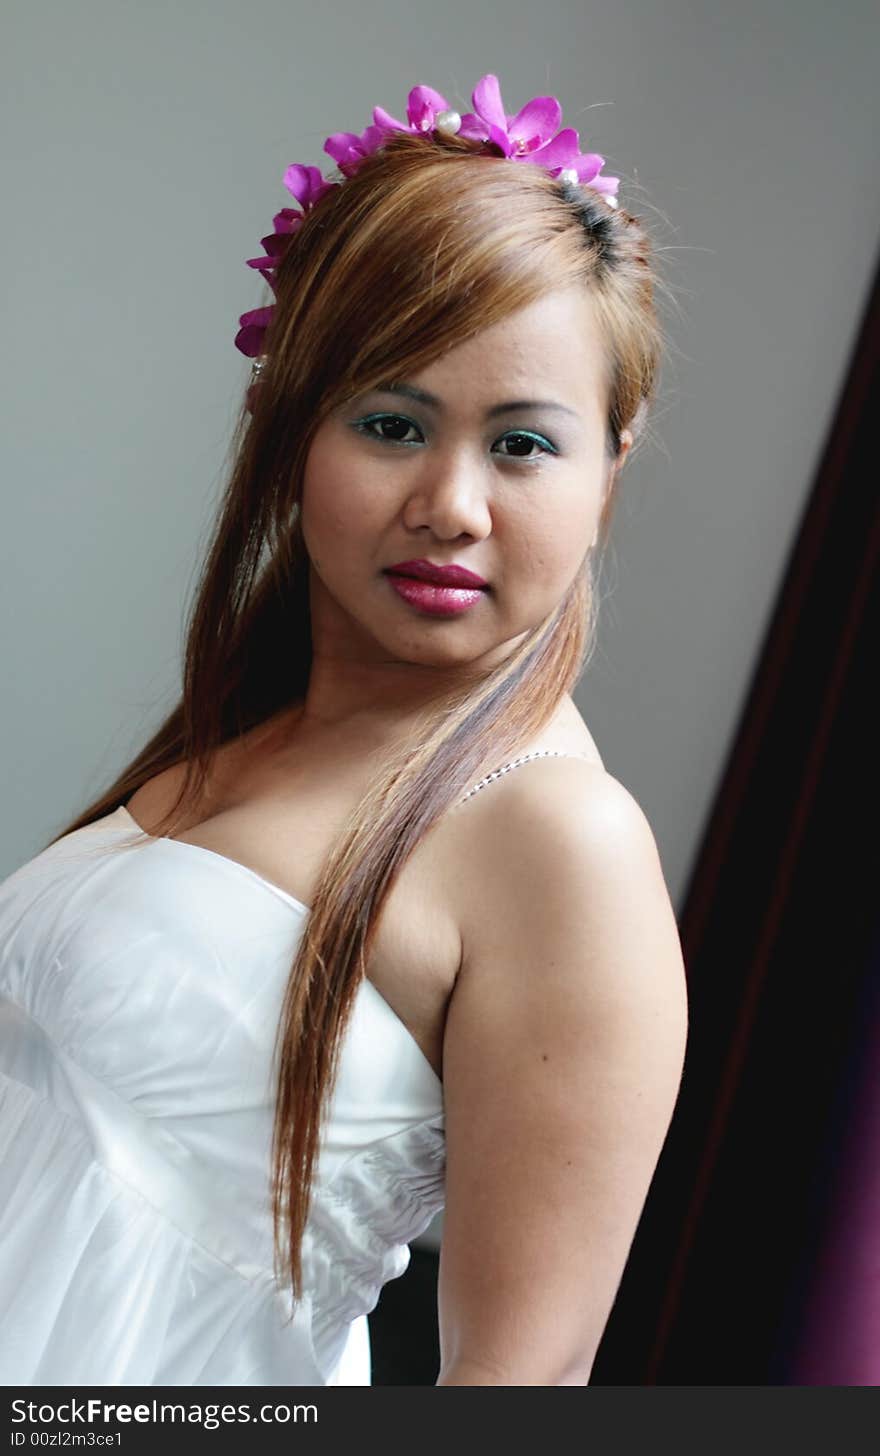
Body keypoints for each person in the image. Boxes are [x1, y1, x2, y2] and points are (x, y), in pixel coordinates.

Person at [0, 71, 688, 1386]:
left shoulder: (558, 842)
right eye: (391, 423)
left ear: (613, 459)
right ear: (288, 425)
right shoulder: (251, 734)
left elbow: (521, 1388)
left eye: (524, 446)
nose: (451, 503)